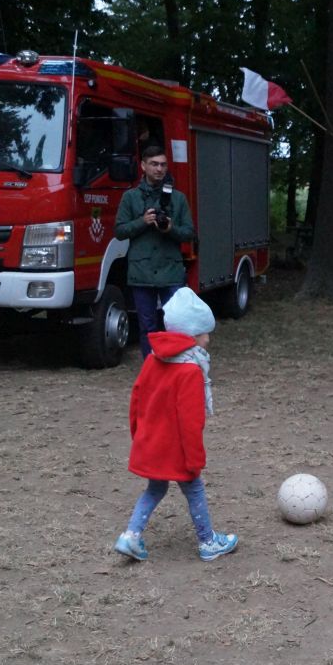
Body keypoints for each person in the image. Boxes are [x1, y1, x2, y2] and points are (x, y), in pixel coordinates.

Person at [114, 286, 238, 563]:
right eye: (205, 333)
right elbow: (191, 423)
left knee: (156, 488)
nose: (208, 339)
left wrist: (139, 437)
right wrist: (194, 459)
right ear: (191, 336)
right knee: (194, 488)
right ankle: (208, 542)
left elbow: (136, 402)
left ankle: (130, 536)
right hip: (177, 450)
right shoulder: (190, 371)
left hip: (152, 444)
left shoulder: (152, 360)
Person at [115, 145, 196, 359]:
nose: (159, 169)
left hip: (171, 270)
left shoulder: (177, 198)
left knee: (176, 323)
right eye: (154, 164)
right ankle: (151, 367)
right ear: (143, 166)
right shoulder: (130, 197)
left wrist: (170, 229)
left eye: (163, 165)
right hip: (141, 271)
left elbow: (189, 233)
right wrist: (142, 222)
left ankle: (176, 366)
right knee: (147, 326)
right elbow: (119, 231)